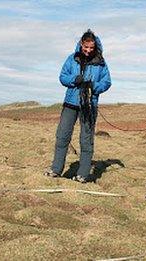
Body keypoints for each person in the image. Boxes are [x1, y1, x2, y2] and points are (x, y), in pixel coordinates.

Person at [44, 29, 111, 183]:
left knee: (86, 140)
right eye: (86, 47)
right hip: (70, 103)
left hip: (89, 106)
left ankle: (83, 174)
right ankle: (56, 169)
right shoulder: (71, 59)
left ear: (95, 47)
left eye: (91, 48)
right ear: (81, 44)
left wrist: (94, 86)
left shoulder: (101, 62)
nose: (88, 51)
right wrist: (74, 79)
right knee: (62, 136)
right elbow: (62, 77)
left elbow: (107, 82)